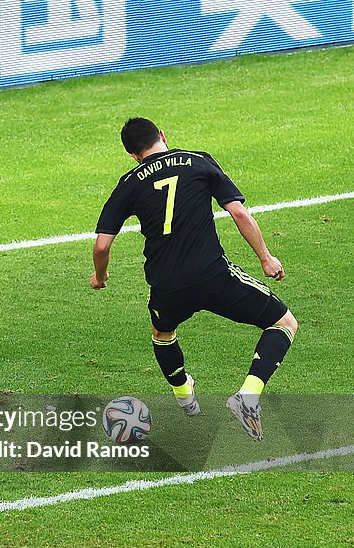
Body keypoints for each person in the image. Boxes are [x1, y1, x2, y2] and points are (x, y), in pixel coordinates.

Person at [90, 118, 297, 440]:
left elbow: (102, 244)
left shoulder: (129, 182)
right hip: (213, 276)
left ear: (132, 154)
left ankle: (184, 396)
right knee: (283, 323)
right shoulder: (198, 161)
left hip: (166, 285)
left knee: (162, 332)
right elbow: (239, 213)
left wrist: (100, 277)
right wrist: (266, 259)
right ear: (162, 135)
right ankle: (248, 396)